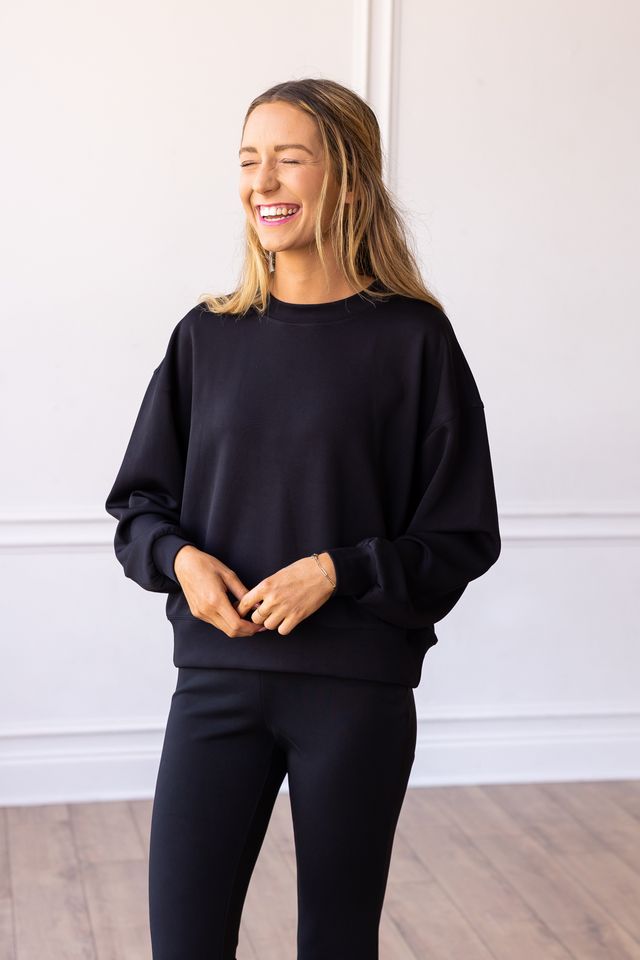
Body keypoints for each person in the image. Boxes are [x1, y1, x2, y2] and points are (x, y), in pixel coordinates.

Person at [105, 77, 501, 960]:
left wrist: (338, 571)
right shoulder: (205, 337)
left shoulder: (414, 341)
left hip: (355, 694)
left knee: (337, 942)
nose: (263, 182)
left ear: (349, 181)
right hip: (216, 681)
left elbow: (463, 536)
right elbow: (138, 507)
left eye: (290, 159)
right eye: (250, 160)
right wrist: (181, 562)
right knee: (183, 941)